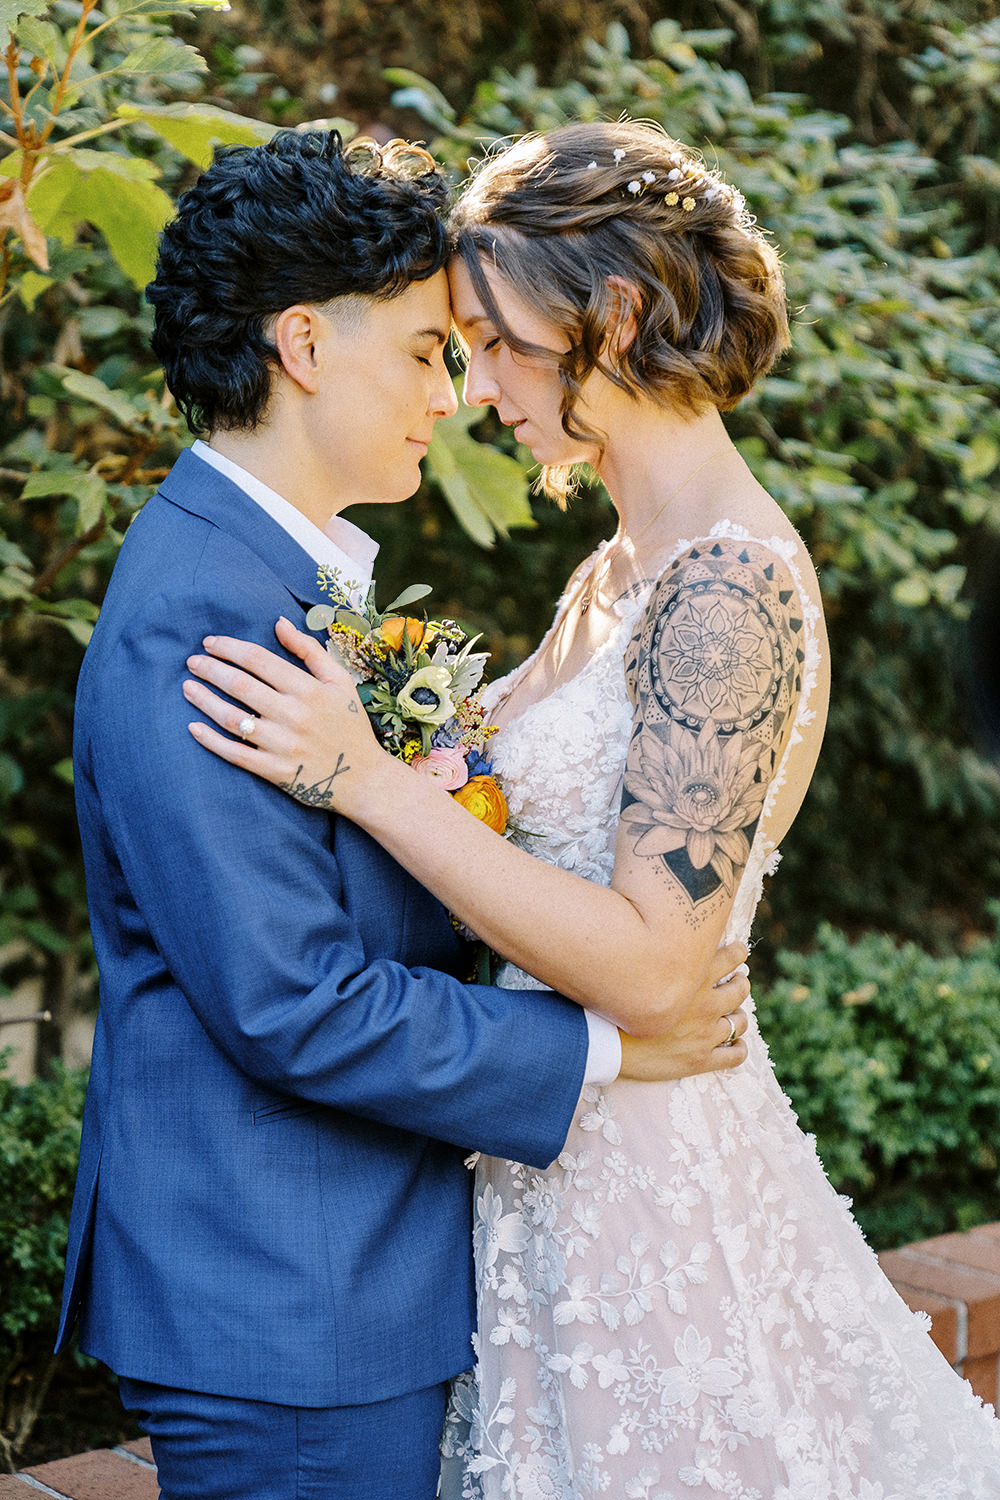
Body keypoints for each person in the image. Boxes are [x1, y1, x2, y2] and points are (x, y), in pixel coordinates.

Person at [186, 120, 1000, 1497]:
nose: (477, 387)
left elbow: (655, 966)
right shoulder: (618, 570)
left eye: (499, 344)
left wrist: (362, 777)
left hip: (651, 1187)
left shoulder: (727, 589)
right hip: (547, 1157)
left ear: (612, 318)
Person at [55, 127, 752, 1500]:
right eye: (431, 350)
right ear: (305, 344)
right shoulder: (204, 619)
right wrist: (609, 1051)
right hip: (286, 1302)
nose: (456, 391)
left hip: (340, 1275)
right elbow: (294, 1004)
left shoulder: (269, 576)